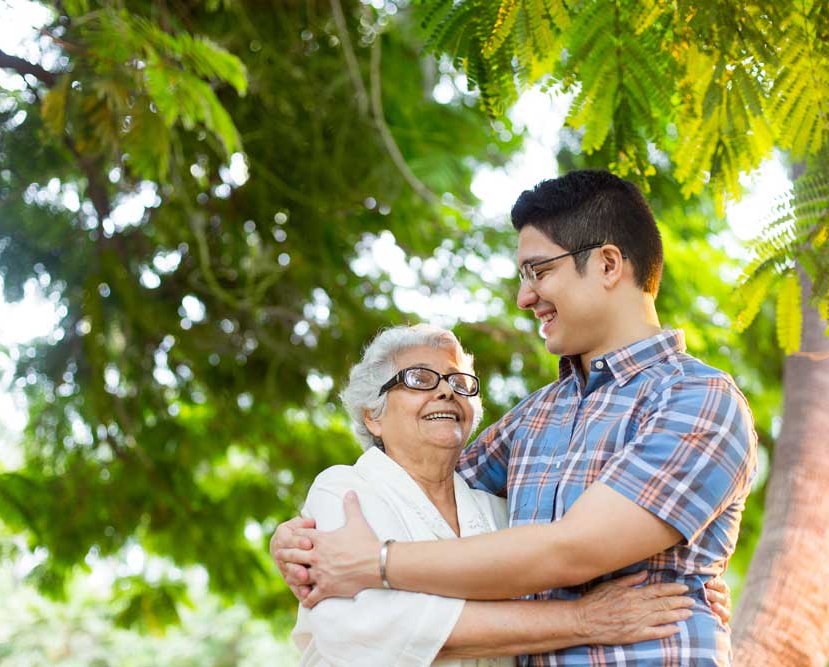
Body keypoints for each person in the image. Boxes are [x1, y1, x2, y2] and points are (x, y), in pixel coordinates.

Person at [276, 170, 757, 666]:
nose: (525, 297)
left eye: (538, 271)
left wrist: (372, 562)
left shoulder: (697, 399)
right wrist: (301, 540)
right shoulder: (533, 418)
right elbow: (424, 493)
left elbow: (573, 552)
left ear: (608, 264)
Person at [292, 323, 705, 666]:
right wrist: (583, 620)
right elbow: (374, 626)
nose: (446, 391)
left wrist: (690, 582)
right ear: (372, 415)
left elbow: (556, 572)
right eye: (419, 379)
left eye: (460, 382)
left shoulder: (498, 511)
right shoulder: (344, 490)